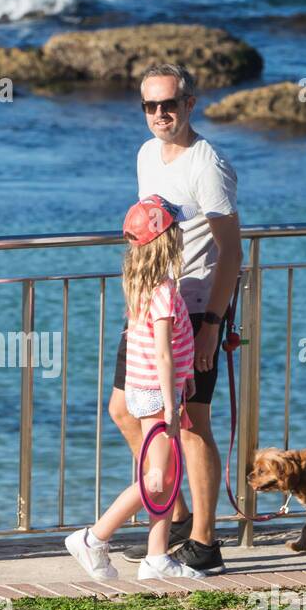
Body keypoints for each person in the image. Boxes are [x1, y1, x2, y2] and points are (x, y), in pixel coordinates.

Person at [112, 63, 242, 572]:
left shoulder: (207, 165)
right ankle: (178, 514)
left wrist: (213, 322)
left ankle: (206, 545)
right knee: (124, 410)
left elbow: (231, 252)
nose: (161, 114)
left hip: (195, 313)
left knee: (191, 423)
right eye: (151, 105)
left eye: (170, 104)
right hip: (153, 306)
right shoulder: (147, 154)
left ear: (190, 104)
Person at [67, 196, 206, 582]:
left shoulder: (144, 283)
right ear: (168, 240)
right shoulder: (162, 291)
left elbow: (167, 347)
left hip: (155, 390)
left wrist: (185, 381)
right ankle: (94, 537)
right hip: (157, 395)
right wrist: (172, 405)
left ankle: (157, 555)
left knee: (168, 470)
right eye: (177, 230)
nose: (181, 235)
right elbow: (162, 353)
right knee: (158, 478)